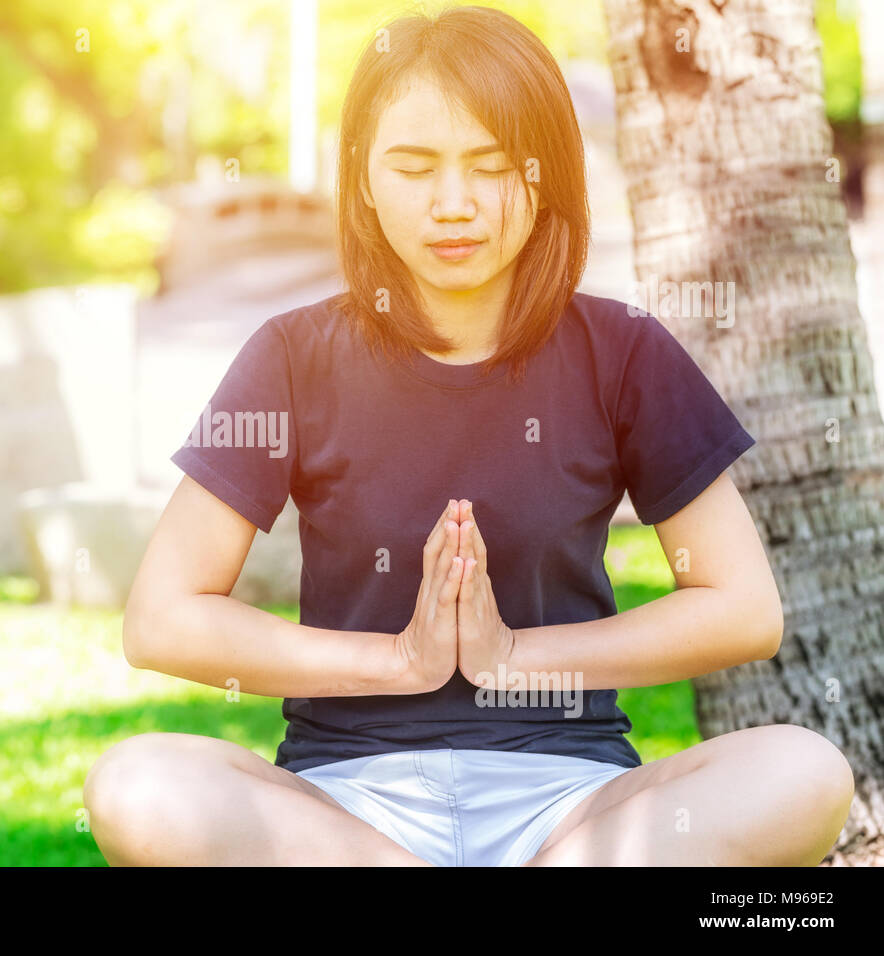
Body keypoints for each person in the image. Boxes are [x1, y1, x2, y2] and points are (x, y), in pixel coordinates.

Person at [82, 4, 855, 866]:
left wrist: (515, 658)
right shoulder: (293, 356)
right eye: (414, 167)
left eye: (491, 167)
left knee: (804, 770)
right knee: (135, 785)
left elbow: (743, 608)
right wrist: (402, 663)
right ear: (365, 180)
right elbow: (161, 618)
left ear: (546, 175)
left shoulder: (624, 351)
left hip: (574, 811)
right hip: (346, 814)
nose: (454, 206)